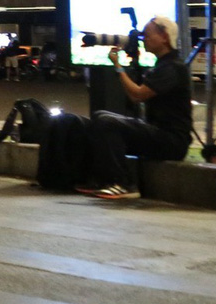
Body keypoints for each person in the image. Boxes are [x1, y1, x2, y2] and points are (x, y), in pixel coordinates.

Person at [81, 16, 194, 200]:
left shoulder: (173, 68)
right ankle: (101, 180)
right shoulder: (163, 65)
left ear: (164, 37)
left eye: (148, 35)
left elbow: (137, 95)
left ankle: (124, 184)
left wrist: (118, 66)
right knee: (99, 118)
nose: (144, 39)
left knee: (107, 122)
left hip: (172, 141)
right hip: (159, 134)